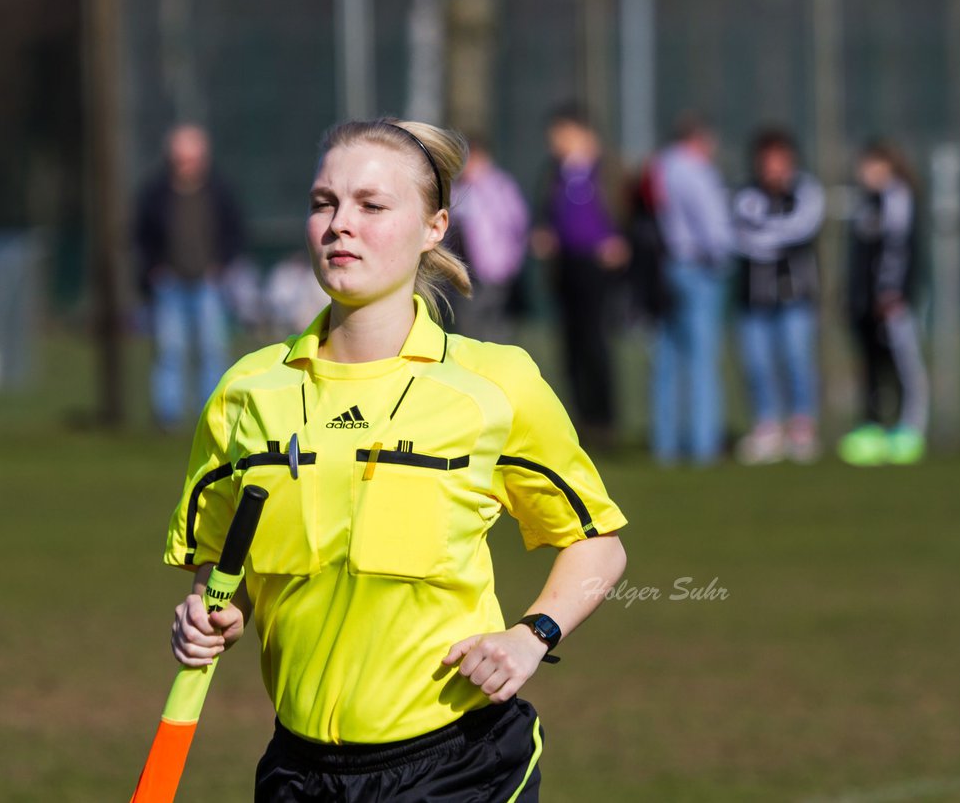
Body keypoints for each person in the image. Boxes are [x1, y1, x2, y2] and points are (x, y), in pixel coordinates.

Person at [164, 118, 628, 801]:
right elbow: (219, 564)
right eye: (325, 202)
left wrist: (533, 635)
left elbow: (597, 546)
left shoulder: (495, 386)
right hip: (299, 772)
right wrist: (209, 613)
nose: (339, 225)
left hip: (460, 767)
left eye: (371, 206)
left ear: (435, 226)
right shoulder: (246, 394)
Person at [531, 105, 629, 448]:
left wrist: (617, 241)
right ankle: (580, 421)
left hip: (598, 269)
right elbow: (547, 213)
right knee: (570, 345)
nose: (555, 142)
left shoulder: (607, 170)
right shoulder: (554, 173)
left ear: (582, 134)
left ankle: (605, 421)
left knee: (596, 343)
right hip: (565, 268)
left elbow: (624, 211)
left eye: (561, 134)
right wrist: (545, 234)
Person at [137, 124, 245, 429]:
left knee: (213, 351)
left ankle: (212, 413)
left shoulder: (219, 192)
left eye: (191, 158)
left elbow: (235, 231)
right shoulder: (155, 193)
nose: (186, 165)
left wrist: (222, 264)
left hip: (209, 283)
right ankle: (167, 416)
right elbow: (141, 235)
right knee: (170, 352)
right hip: (169, 284)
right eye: (180, 159)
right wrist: (152, 268)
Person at [732, 127, 826, 464]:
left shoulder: (807, 192)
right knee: (758, 365)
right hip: (753, 299)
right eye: (767, 161)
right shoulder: (746, 194)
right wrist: (770, 236)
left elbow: (800, 228)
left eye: (779, 161)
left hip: (795, 296)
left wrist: (765, 236)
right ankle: (767, 428)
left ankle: (802, 428)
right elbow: (743, 237)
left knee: (797, 360)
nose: (773, 168)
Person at [650, 114, 735, 465]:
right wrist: (724, 255)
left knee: (667, 358)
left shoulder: (659, 167)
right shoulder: (694, 170)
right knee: (702, 360)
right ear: (700, 139)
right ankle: (703, 445)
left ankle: (665, 444)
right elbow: (712, 226)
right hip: (697, 267)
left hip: (667, 267)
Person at [838, 140, 929, 465]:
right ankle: (873, 427)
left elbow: (898, 250)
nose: (868, 172)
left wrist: (891, 292)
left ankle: (910, 429)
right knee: (872, 367)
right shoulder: (866, 204)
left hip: (892, 303)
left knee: (904, 365)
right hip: (866, 305)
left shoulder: (898, 197)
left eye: (875, 165)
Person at [448, 136, 530, 343]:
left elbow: (516, 226)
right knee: (468, 327)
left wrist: (508, 262)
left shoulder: (499, 187)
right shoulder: (457, 190)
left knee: (495, 327)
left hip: (495, 270)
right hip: (465, 270)